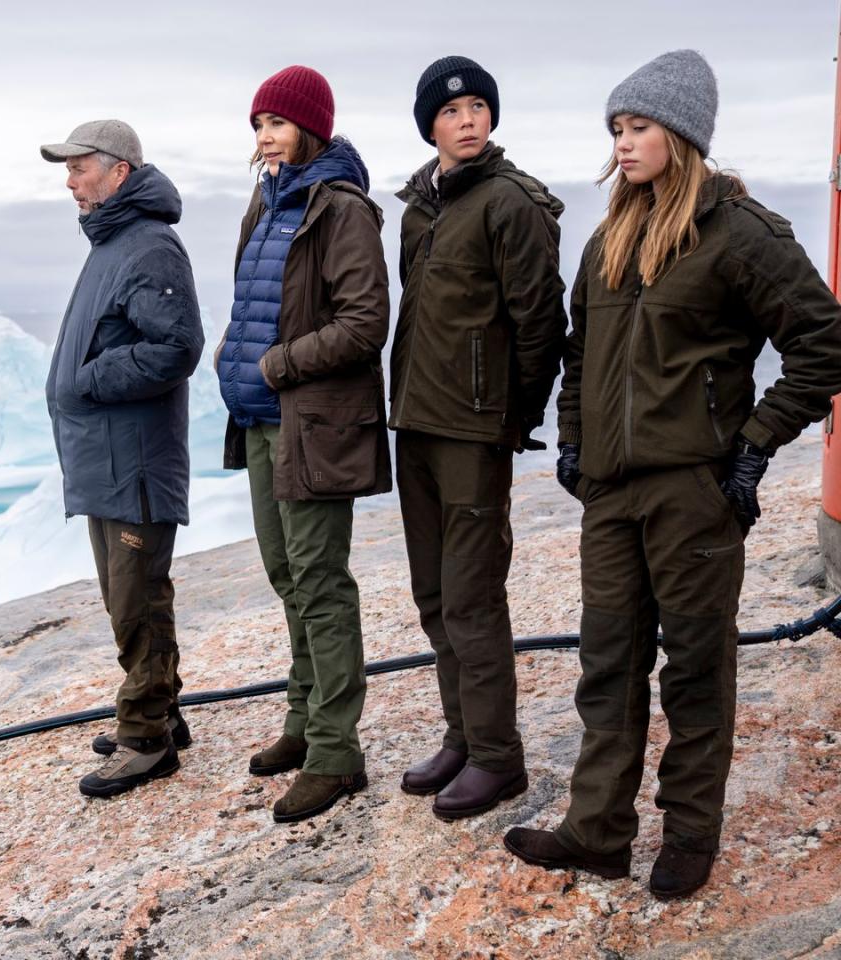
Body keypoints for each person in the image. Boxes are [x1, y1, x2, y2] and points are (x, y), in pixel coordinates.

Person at [504, 50, 841, 898]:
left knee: (694, 667)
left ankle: (691, 832)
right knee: (606, 665)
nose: (622, 144)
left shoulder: (742, 233)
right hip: (612, 494)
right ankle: (598, 831)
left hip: (695, 489)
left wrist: (756, 445)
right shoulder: (611, 232)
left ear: (681, 133)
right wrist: (574, 442)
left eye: (639, 127)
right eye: (616, 129)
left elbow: (823, 343)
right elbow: (581, 354)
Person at [390, 56, 567, 819]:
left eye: (478, 109)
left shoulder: (510, 204)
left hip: (472, 432)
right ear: (430, 123)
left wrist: (511, 419)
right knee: (433, 593)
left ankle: (500, 757)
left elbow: (541, 325)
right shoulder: (417, 209)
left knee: (471, 597)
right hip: (417, 423)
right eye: (452, 110)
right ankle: (462, 736)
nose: (467, 120)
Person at [216, 66, 391, 823]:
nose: (265, 137)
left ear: (309, 128)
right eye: (258, 124)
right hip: (259, 421)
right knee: (287, 575)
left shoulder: (340, 209)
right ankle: (300, 720)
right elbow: (250, 303)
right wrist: (236, 360)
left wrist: (278, 364)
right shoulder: (268, 199)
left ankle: (335, 752)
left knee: (321, 584)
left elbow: (363, 323)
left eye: (277, 124)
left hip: (312, 423)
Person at [41, 119, 204, 798]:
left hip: (132, 462)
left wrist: (89, 379)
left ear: (119, 172)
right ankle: (161, 708)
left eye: (80, 167)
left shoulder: (149, 247)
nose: (70, 181)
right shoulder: (114, 242)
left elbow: (177, 346)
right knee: (125, 596)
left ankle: (145, 741)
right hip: (106, 460)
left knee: (136, 599)